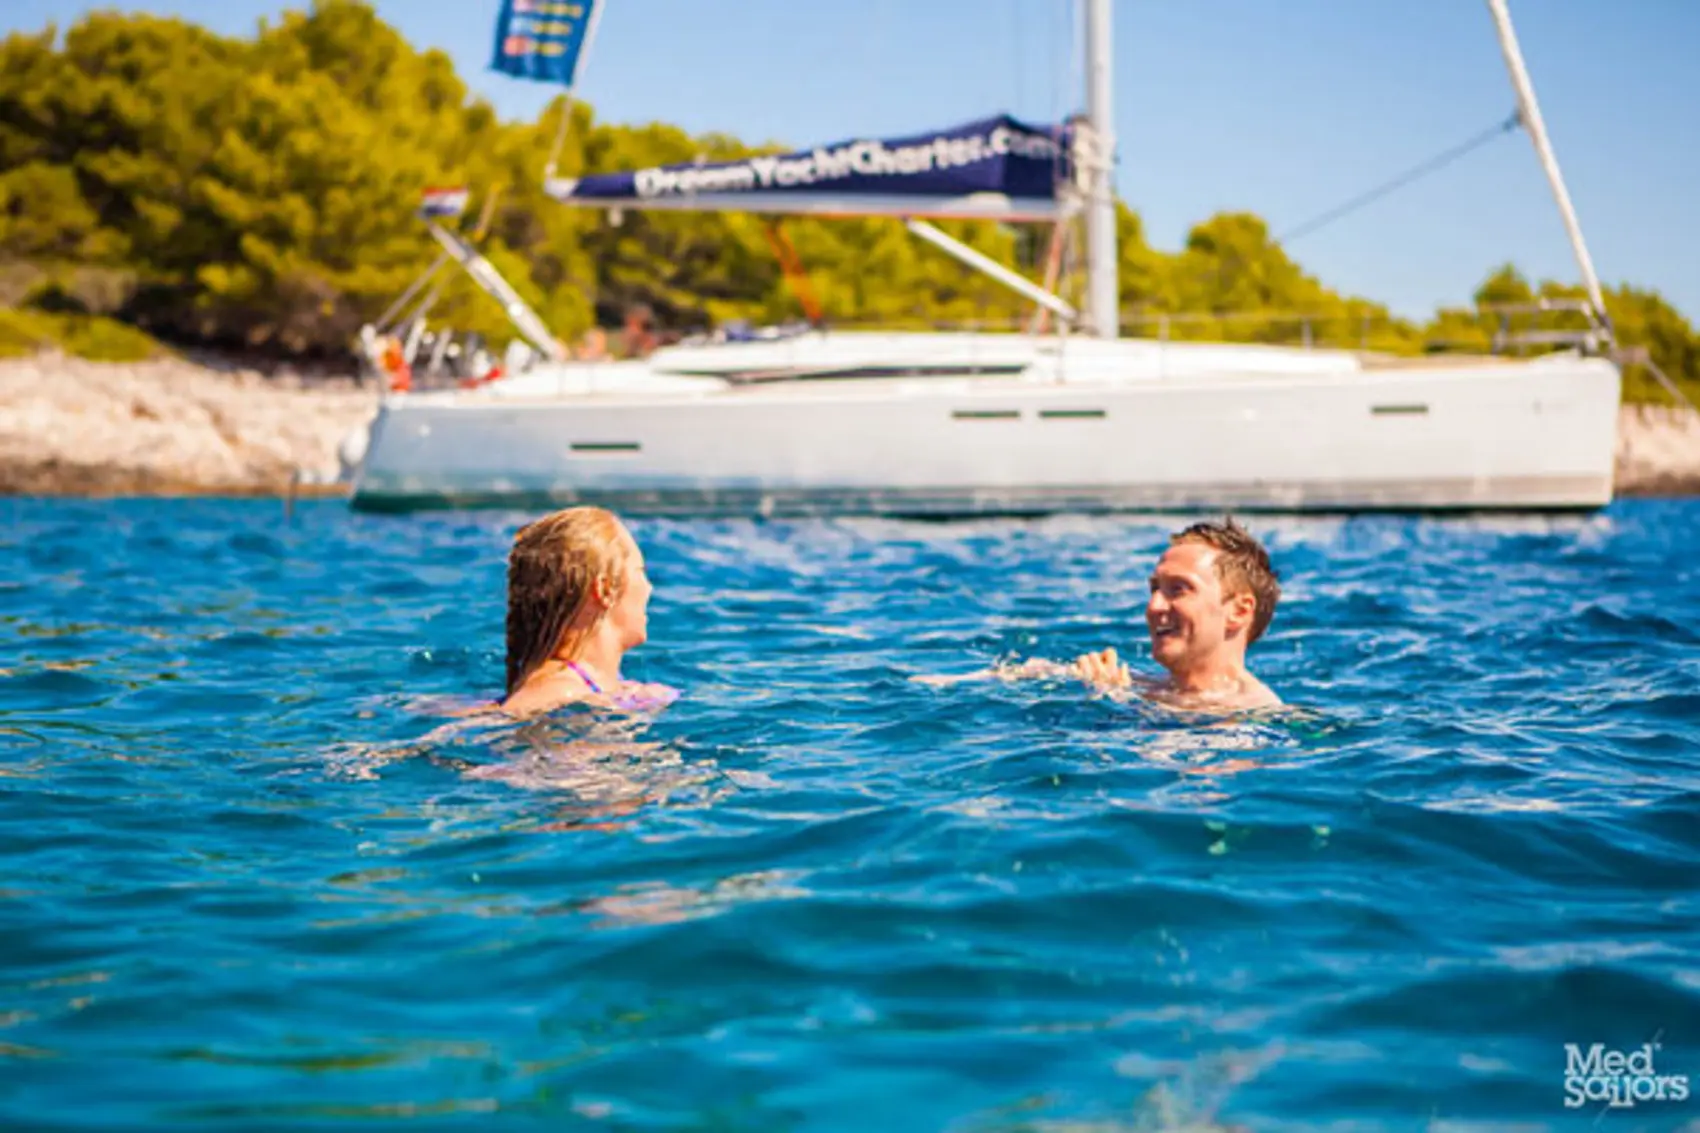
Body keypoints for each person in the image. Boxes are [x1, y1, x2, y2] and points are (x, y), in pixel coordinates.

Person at [1073, 518, 1282, 710]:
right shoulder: (1138, 684)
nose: (1153, 606)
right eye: (1155, 589)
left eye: (1179, 589)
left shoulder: (1253, 715)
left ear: (1239, 611)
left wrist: (1116, 704)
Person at [500, 506, 678, 717]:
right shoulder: (557, 694)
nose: (649, 588)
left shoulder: (587, 688)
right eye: (641, 572)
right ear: (605, 589)